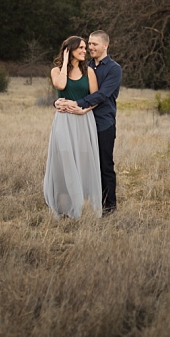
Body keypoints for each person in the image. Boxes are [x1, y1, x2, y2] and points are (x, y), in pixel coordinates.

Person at [56, 30, 122, 214]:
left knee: (104, 165)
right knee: (83, 164)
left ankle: (109, 208)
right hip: (82, 124)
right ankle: (86, 204)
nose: (90, 47)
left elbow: (101, 95)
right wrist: (60, 102)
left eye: (94, 44)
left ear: (105, 46)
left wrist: (78, 104)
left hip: (103, 124)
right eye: (89, 44)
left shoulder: (114, 69)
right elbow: (70, 88)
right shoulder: (85, 66)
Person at [43, 36, 103, 219]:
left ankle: (82, 207)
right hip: (63, 121)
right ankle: (64, 208)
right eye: (81, 47)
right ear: (69, 50)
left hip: (83, 121)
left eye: (86, 47)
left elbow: (96, 98)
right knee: (65, 161)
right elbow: (60, 85)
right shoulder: (56, 71)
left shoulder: (89, 72)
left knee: (83, 160)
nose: (85, 50)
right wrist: (66, 62)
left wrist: (82, 109)